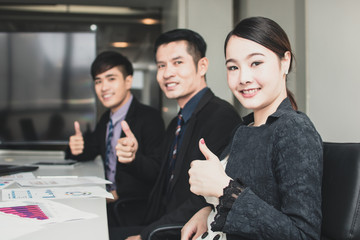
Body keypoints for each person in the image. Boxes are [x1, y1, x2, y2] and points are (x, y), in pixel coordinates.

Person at [181, 16, 323, 240]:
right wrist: (207, 210)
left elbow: (303, 235)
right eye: (233, 67)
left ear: (284, 62)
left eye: (256, 63)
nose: (243, 77)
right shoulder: (245, 126)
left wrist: (226, 190)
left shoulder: (293, 129)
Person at [112, 29, 241, 240]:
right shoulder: (176, 122)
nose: (167, 73)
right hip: (157, 221)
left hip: (180, 230)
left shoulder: (221, 117)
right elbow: (160, 175)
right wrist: (134, 159)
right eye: (161, 65)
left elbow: (204, 199)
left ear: (202, 66)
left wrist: (144, 236)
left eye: (177, 62)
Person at [65, 51, 165, 227]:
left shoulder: (149, 117)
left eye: (111, 78)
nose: (103, 87)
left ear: (128, 81)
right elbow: (90, 150)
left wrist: (132, 159)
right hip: (107, 200)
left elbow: (157, 173)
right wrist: (75, 148)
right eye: (98, 81)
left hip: (132, 209)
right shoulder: (106, 119)